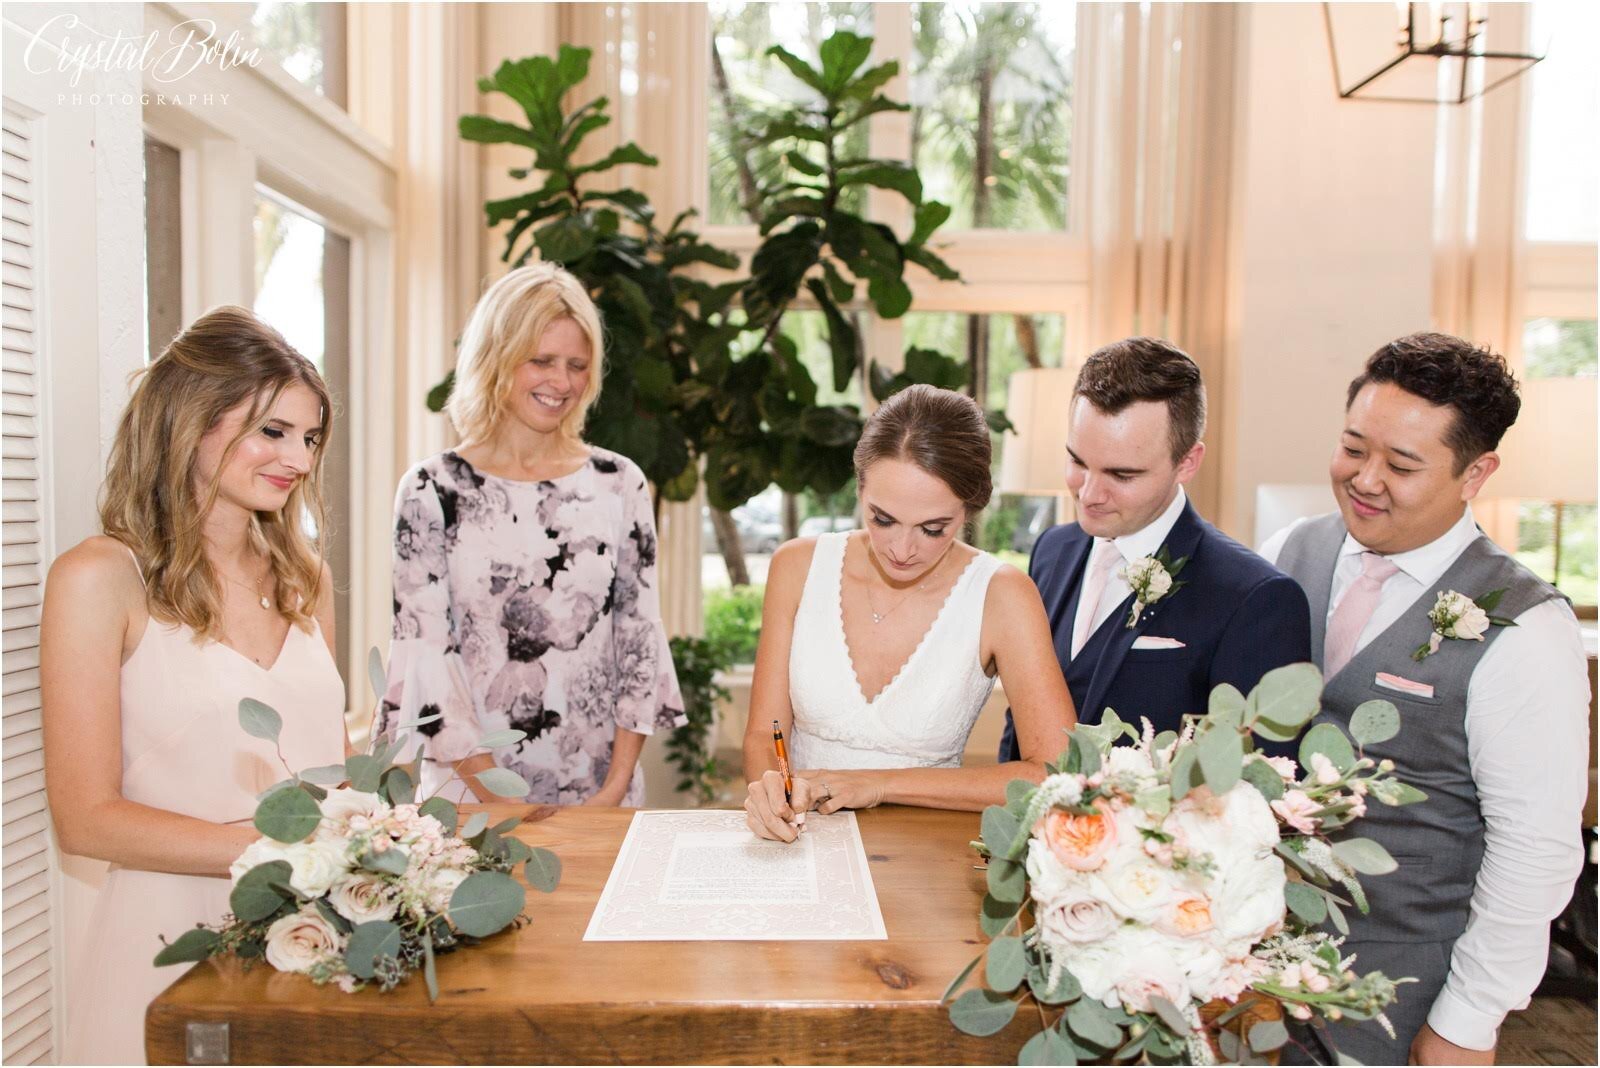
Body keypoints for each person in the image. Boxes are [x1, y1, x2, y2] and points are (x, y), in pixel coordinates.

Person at [1259, 332, 1588, 1066]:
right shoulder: (1287, 552)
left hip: (1398, 997)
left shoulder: (1526, 628)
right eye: (1353, 447)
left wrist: (1467, 1023)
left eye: (1402, 464)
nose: (1365, 479)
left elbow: (1534, 852)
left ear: (1477, 473)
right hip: (1257, 981)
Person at [41, 308, 348, 1064]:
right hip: (166, 937)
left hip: (312, 937)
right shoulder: (99, 579)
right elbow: (85, 821)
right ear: (190, 422)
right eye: (272, 431)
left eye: (309, 438)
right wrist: (272, 850)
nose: (299, 459)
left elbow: (329, 776)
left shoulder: (307, 580)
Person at [381, 263, 684, 806]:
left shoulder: (619, 484)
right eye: (541, 360)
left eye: (577, 365)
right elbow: (426, 657)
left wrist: (611, 792)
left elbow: (638, 641)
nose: (562, 382)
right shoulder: (431, 489)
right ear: (495, 357)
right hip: (467, 799)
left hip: (599, 794)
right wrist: (498, 803)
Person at [742, 385, 1077, 842]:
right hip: (804, 846)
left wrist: (877, 784)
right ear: (859, 487)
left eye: (932, 529)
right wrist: (767, 791)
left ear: (969, 511)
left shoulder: (1002, 596)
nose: (902, 550)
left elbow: (1056, 775)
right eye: (882, 519)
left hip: (930, 856)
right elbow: (765, 733)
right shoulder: (796, 567)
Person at [997, 337, 1311, 761]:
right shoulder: (1052, 550)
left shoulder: (1257, 598)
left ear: (1188, 462)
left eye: (1121, 474)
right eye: (1077, 461)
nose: (1088, 494)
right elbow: (1020, 726)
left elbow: (1262, 779)